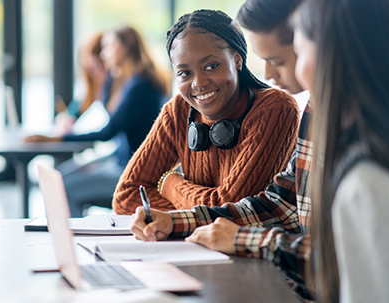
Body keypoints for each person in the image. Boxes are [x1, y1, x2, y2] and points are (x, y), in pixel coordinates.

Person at [133, 0, 389, 302]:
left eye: (295, 53)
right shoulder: (327, 117)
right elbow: (284, 202)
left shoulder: (371, 168)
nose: (273, 75)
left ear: (334, 53)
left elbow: (345, 270)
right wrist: (180, 221)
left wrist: (243, 239)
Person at [131, 0, 314, 299]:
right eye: (184, 73)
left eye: (278, 60)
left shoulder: (285, 108)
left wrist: (168, 182)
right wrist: (174, 222)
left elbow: (341, 260)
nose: (267, 73)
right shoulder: (317, 114)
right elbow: (278, 206)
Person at [112, 9, 300, 215]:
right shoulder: (179, 110)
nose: (199, 83)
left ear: (237, 60)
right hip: (193, 244)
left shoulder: (275, 108)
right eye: (185, 73)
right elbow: (125, 196)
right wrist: (184, 217)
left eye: (211, 66)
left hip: (247, 245)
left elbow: (229, 208)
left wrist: (169, 183)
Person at [26, 26, 168, 217]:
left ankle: (75, 241)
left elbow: (108, 132)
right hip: (121, 160)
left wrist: (55, 139)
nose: (104, 54)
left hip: (133, 173)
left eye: (109, 47)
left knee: (63, 187)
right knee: (59, 176)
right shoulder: (125, 80)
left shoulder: (140, 86)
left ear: (127, 47)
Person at [54, 32, 107, 132]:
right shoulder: (88, 93)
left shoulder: (112, 94)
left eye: (95, 68)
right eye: (90, 70)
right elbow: (69, 115)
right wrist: (64, 119)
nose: (94, 75)